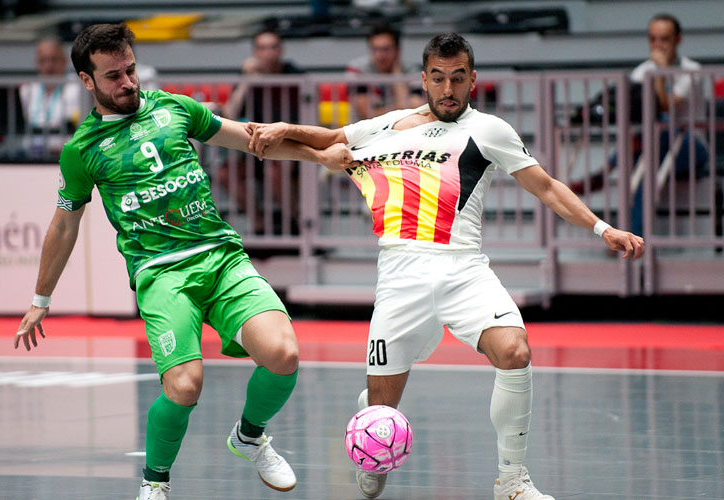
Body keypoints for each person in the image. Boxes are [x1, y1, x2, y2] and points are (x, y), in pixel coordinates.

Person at [248, 33, 645, 500]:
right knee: (380, 408)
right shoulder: (392, 123)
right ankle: (375, 441)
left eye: (458, 78)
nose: (448, 89)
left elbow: (548, 187)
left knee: (515, 352)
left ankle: (512, 481)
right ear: (424, 80)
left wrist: (603, 229)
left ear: (472, 80)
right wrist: (281, 127)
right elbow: (334, 139)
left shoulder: (490, 130)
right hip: (400, 274)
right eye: (438, 78)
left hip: (464, 269)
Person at [12, 23, 350, 500]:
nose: (128, 82)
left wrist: (321, 157)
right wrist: (40, 298)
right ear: (87, 82)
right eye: (113, 76)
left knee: (284, 356)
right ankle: (155, 484)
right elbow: (64, 224)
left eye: (130, 69)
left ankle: (249, 436)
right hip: (161, 273)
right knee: (185, 385)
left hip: (220, 257)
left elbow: (251, 139)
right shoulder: (81, 150)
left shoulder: (173, 107)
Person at [628, 12, 708, 236]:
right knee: (643, 170)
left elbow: (665, 108)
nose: (658, 45)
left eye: (664, 39)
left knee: (662, 131)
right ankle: (634, 238)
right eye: (653, 39)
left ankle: (604, 172)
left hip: (691, 147)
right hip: (657, 150)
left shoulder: (692, 70)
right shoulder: (640, 72)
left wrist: (660, 75)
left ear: (678, 40)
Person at [222, 28, 305, 235]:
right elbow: (230, 113)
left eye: (272, 47)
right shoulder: (248, 78)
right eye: (262, 48)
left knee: (274, 171)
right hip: (254, 147)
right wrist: (246, 81)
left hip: (289, 146)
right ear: (255, 53)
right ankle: (259, 224)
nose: (267, 53)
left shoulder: (296, 76)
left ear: (281, 50)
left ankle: (296, 224)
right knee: (225, 173)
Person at [19, 36, 82, 157]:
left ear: (64, 61)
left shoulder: (77, 87)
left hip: (65, 152)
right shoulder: (28, 89)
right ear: (36, 63)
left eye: (53, 59)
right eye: (43, 60)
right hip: (31, 152)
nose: (49, 65)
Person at [346, 23, 423, 120]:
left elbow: (416, 108)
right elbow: (367, 114)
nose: (380, 55)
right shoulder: (357, 69)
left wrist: (397, 73)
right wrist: (401, 109)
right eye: (375, 49)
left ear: (398, 50)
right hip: (368, 131)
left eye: (386, 49)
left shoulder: (414, 70)